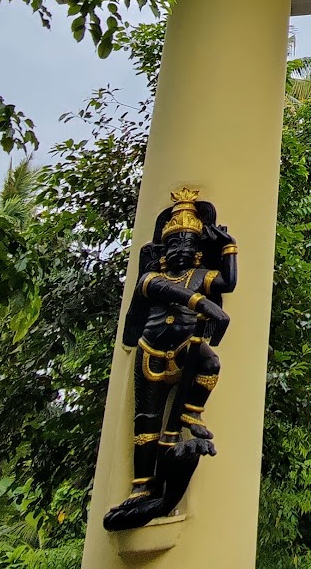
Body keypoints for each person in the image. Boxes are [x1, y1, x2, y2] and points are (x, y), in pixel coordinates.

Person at [104, 188, 238, 530]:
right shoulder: (151, 277)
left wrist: (228, 246)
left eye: (187, 244)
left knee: (210, 364)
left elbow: (228, 282)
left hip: (184, 349)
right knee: (145, 426)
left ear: (197, 252)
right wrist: (201, 304)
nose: (181, 248)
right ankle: (141, 488)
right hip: (150, 351)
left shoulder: (200, 276)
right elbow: (164, 291)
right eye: (174, 243)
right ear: (163, 251)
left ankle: (192, 414)